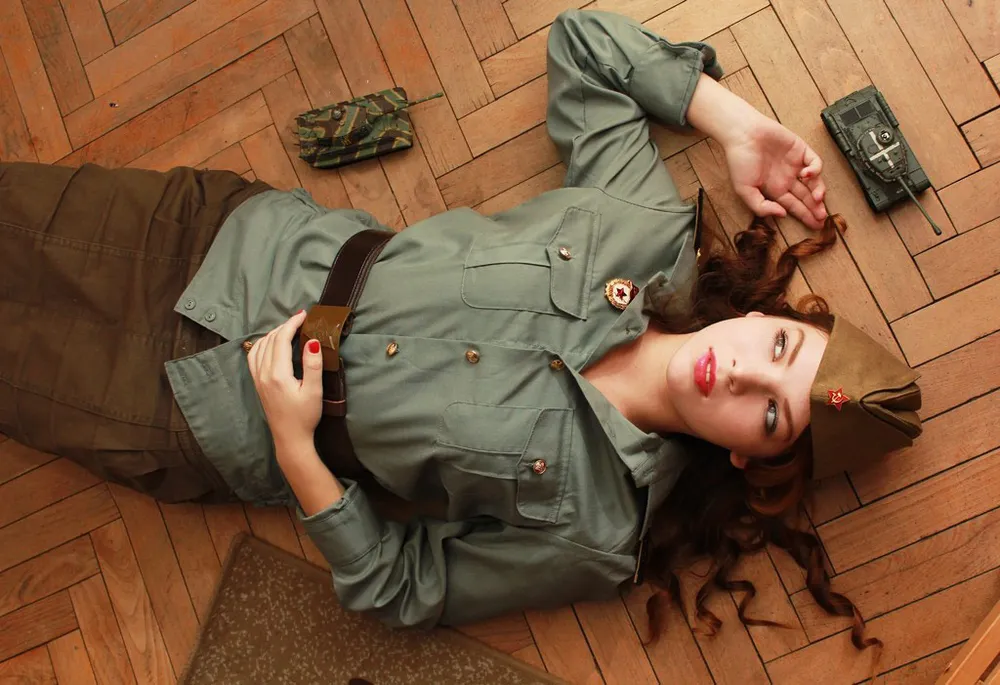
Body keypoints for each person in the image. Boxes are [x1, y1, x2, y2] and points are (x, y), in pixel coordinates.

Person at [0, 8, 921, 647]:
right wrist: (733, 124)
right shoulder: (645, 232)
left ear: (750, 457)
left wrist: (296, 449)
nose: (744, 374)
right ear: (763, 318)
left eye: (771, 412)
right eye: (779, 348)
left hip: (189, 412)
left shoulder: (597, 530)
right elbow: (583, 45)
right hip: (223, 239)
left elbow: (401, 588)